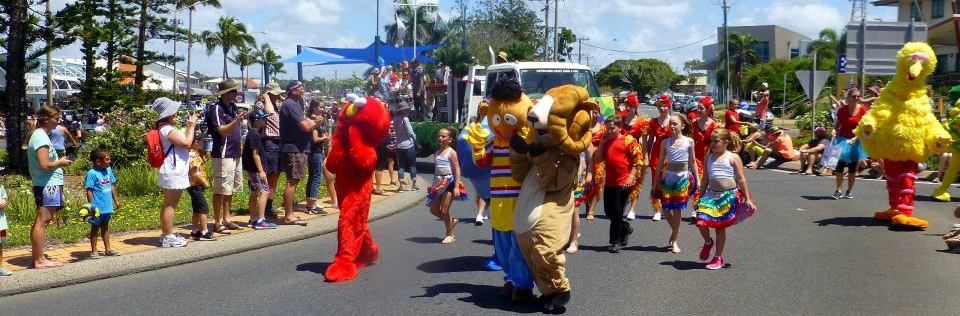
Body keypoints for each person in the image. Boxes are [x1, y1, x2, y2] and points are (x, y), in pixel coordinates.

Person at [695, 128, 757, 270]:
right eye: (711, 141)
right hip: (711, 195)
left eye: (716, 141)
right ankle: (708, 242)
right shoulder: (707, 158)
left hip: (728, 196)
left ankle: (718, 258)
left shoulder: (733, 157)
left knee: (719, 228)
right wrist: (700, 197)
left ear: (726, 142)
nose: (713, 144)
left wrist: (747, 199)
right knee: (700, 221)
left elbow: (741, 179)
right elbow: (705, 179)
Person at [28, 106, 73, 268]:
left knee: (42, 220)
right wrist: (60, 162)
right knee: (43, 221)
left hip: (46, 183)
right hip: (48, 184)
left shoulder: (40, 135)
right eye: (56, 118)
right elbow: (45, 165)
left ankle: (37, 257)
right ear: (46, 119)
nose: (59, 121)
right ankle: (39, 259)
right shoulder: (41, 137)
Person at [591, 115, 643, 253]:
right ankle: (624, 227)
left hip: (623, 181)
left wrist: (631, 177)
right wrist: (602, 142)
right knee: (609, 212)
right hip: (610, 182)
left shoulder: (628, 140)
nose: (609, 131)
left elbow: (638, 160)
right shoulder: (606, 141)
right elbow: (596, 159)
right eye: (607, 128)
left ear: (620, 127)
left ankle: (615, 242)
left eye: (612, 128)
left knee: (617, 210)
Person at [154, 98, 197, 248]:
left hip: (172, 169)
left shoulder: (165, 127)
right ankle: (169, 236)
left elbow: (183, 141)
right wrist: (191, 126)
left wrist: (188, 128)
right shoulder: (167, 129)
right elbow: (186, 143)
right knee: (170, 204)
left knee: (168, 203)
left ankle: (166, 233)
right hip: (173, 170)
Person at [207, 79, 249, 233]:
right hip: (223, 153)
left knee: (230, 188)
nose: (236, 93)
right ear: (226, 93)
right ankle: (217, 222)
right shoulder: (217, 109)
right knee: (220, 188)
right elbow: (222, 131)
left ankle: (227, 218)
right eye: (233, 91)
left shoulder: (232, 107)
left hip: (234, 152)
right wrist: (236, 120)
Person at [654, 114, 698, 254]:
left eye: (675, 124)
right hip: (668, 177)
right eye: (670, 124)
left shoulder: (689, 141)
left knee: (677, 209)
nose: (672, 126)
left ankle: (675, 240)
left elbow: (692, 161)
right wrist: (655, 183)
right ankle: (675, 231)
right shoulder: (665, 142)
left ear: (682, 126)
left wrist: (697, 179)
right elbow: (660, 163)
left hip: (682, 178)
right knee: (666, 209)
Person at [278, 80, 314, 226]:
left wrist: (310, 122)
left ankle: (290, 213)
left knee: (295, 179)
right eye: (300, 88)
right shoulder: (291, 105)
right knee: (292, 181)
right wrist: (313, 123)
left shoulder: (293, 105)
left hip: (297, 148)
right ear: (293, 90)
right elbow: (305, 126)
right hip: (294, 148)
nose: (303, 90)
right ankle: (288, 215)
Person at [426, 127, 468, 244]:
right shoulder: (436, 153)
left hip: (449, 182)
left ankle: (450, 234)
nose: (440, 138)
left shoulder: (452, 152)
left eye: (443, 136)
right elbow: (436, 170)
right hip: (438, 183)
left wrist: (456, 186)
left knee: (444, 211)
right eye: (439, 136)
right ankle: (452, 221)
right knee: (433, 209)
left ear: (450, 139)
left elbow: (457, 169)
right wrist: (432, 185)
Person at [830, 87, 868, 199]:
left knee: (852, 167)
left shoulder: (862, 110)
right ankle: (838, 190)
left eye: (858, 96)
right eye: (854, 96)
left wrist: (855, 138)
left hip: (855, 140)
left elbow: (863, 128)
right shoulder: (842, 110)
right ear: (848, 97)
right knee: (840, 166)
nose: (856, 98)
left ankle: (849, 190)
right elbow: (836, 124)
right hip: (842, 139)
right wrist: (833, 130)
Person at [242, 109, 277, 229]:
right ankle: (261, 219)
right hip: (256, 169)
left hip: (252, 169)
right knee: (265, 191)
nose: (265, 120)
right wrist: (261, 170)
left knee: (254, 192)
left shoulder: (253, 133)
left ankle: (253, 218)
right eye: (263, 118)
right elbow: (255, 154)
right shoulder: (254, 134)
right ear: (256, 120)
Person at [255, 82, 284, 219]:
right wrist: (266, 97)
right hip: (269, 142)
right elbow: (269, 112)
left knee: (276, 175)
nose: (278, 95)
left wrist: (281, 98)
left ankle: (270, 204)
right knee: (270, 174)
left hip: (278, 142)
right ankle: (265, 207)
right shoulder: (261, 105)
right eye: (275, 93)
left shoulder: (277, 105)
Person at [85, 147, 121, 259]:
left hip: (107, 205)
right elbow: (89, 190)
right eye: (107, 159)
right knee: (95, 227)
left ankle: (108, 249)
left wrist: (116, 200)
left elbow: (112, 186)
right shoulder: (92, 173)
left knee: (105, 227)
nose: (109, 161)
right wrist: (92, 205)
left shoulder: (108, 170)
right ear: (98, 161)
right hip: (97, 206)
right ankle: (94, 251)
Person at [644, 95, 673, 221]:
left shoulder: (673, 120)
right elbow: (650, 141)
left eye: (664, 106)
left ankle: (668, 206)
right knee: (656, 181)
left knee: (669, 181)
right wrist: (647, 156)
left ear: (669, 106)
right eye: (660, 106)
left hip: (670, 153)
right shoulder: (654, 122)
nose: (662, 108)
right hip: (656, 152)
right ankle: (657, 209)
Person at [187, 138, 216, 241]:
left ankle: (195, 231)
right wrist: (204, 182)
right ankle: (204, 231)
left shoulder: (190, 154)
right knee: (203, 208)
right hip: (196, 185)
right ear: (195, 143)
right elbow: (194, 174)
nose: (203, 144)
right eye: (201, 142)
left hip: (191, 186)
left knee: (196, 209)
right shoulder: (194, 156)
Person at [306, 100, 331, 214]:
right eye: (321, 107)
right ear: (314, 108)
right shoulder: (315, 119)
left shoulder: (316, 118)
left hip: (315, 151)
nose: (323, 109)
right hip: (315, 151)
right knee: (316, 178)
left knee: (312, 177)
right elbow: (315, 139)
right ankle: (313, 206)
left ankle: (310, 203)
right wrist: (324, 139)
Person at [393, 101, 419, 192]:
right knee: (412, 165)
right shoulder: (405, 119)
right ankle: (414, 185)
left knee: (401, 166)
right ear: (403, 110)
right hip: (408, 144)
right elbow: (410, 132)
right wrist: (416, 140)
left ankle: (401, 186)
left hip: (399, 145)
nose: (408, 110)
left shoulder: (395, 119)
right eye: (406, 109)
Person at [0, 184, 12, 276]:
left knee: (0, 246)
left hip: (1, 224)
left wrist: (4, 201)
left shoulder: (0, 186)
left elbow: (4, 197)